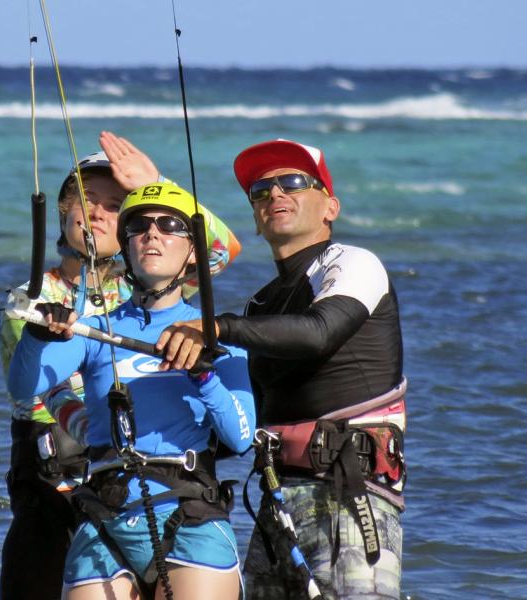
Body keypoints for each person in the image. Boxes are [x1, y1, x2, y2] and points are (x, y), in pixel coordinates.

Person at [156, 139, 406, 599]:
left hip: (348, 493)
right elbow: (240, 419)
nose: (274, 194)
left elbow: (319, 332)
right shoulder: (260, 305)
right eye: (260, 190)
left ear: (330, 206)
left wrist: (215, 327)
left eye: (292, 182)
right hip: (277, 495)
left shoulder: (353, 263)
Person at [0, 132, 241, 600]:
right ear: (64, 213)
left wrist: (156, 184)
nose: (97, 213)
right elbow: (39, 390)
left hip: (128, 473)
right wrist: (97, 435)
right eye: (87, 202)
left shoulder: (156, 296)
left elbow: (221, 249)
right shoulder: (34, 299)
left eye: (115, 206)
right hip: (53, 471)